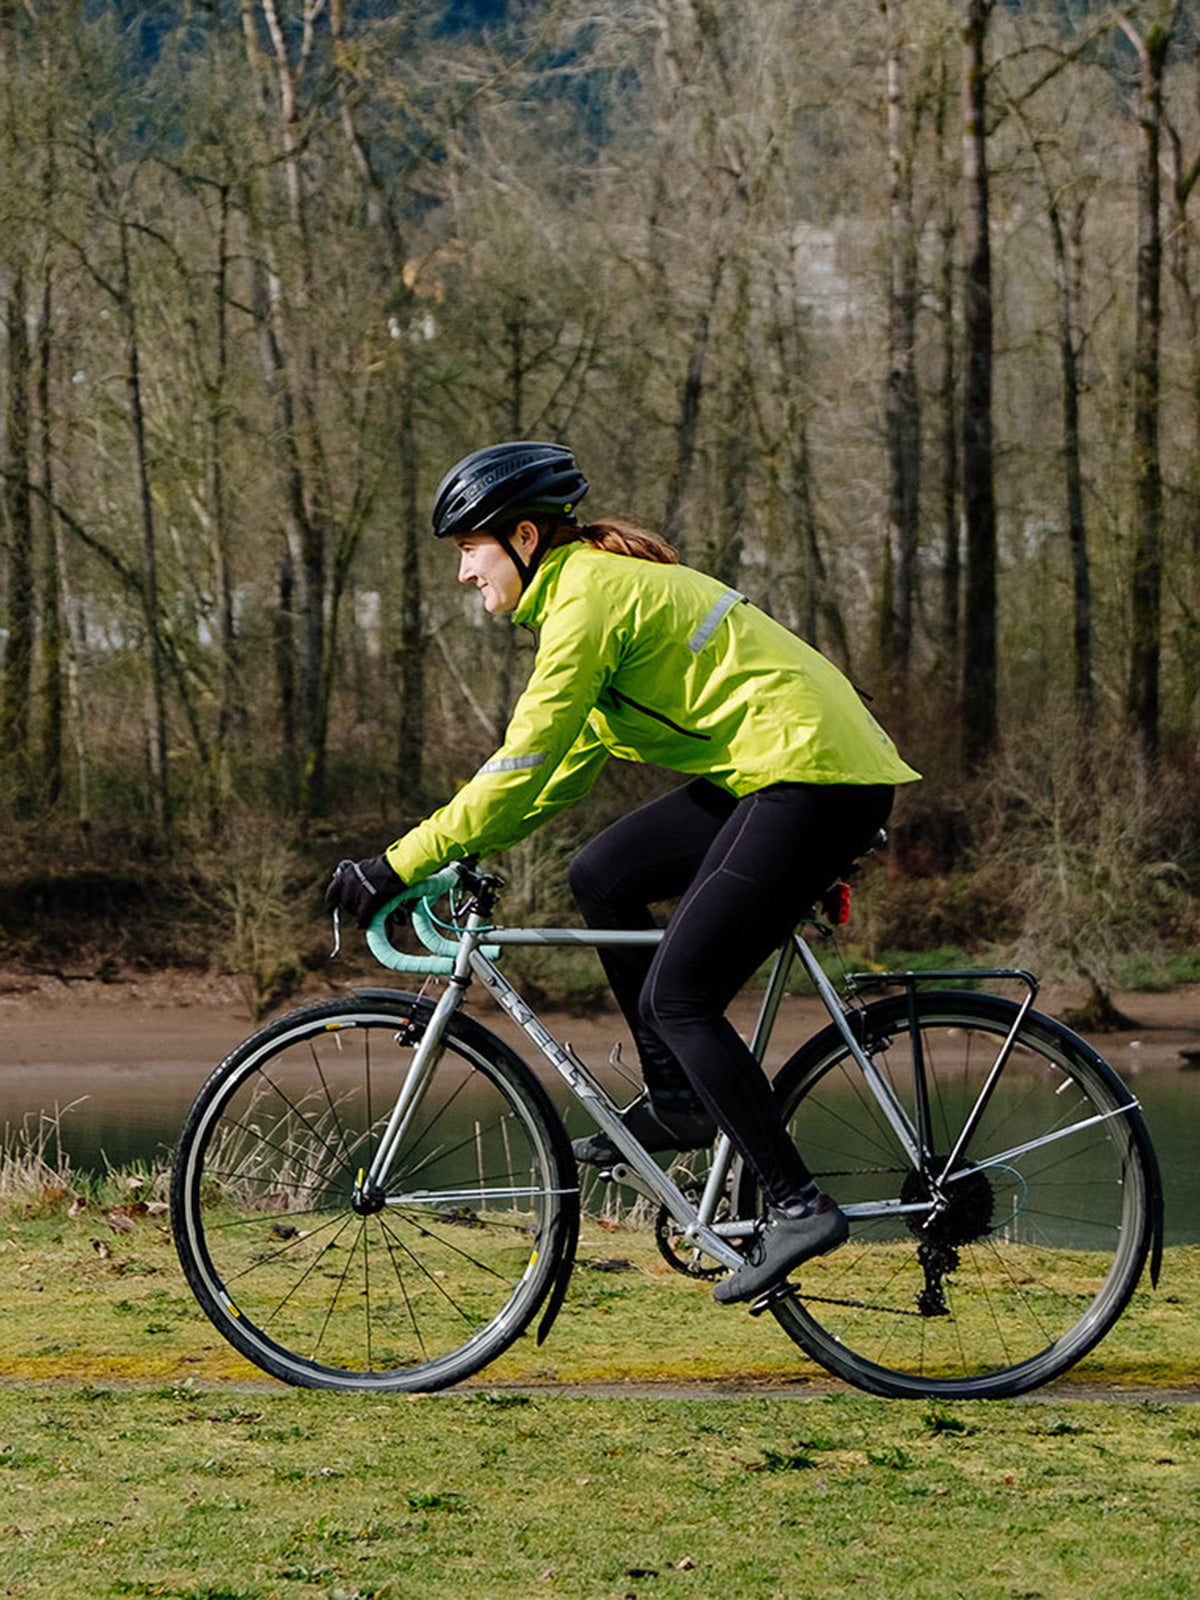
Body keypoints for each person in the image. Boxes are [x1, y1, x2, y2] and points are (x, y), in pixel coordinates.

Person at [326, 440, 921, 1304]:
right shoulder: (590, 596)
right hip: (779, 770)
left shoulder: (588, 602)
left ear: (523, 537)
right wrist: (450, 854)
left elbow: (522, 761)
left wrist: (395, 863)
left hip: (813, 778)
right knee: (603, 872)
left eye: (468, 550)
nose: (462, 574)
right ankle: (679, 1098)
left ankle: (797, 1203)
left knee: (678, 996)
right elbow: (553, 778)